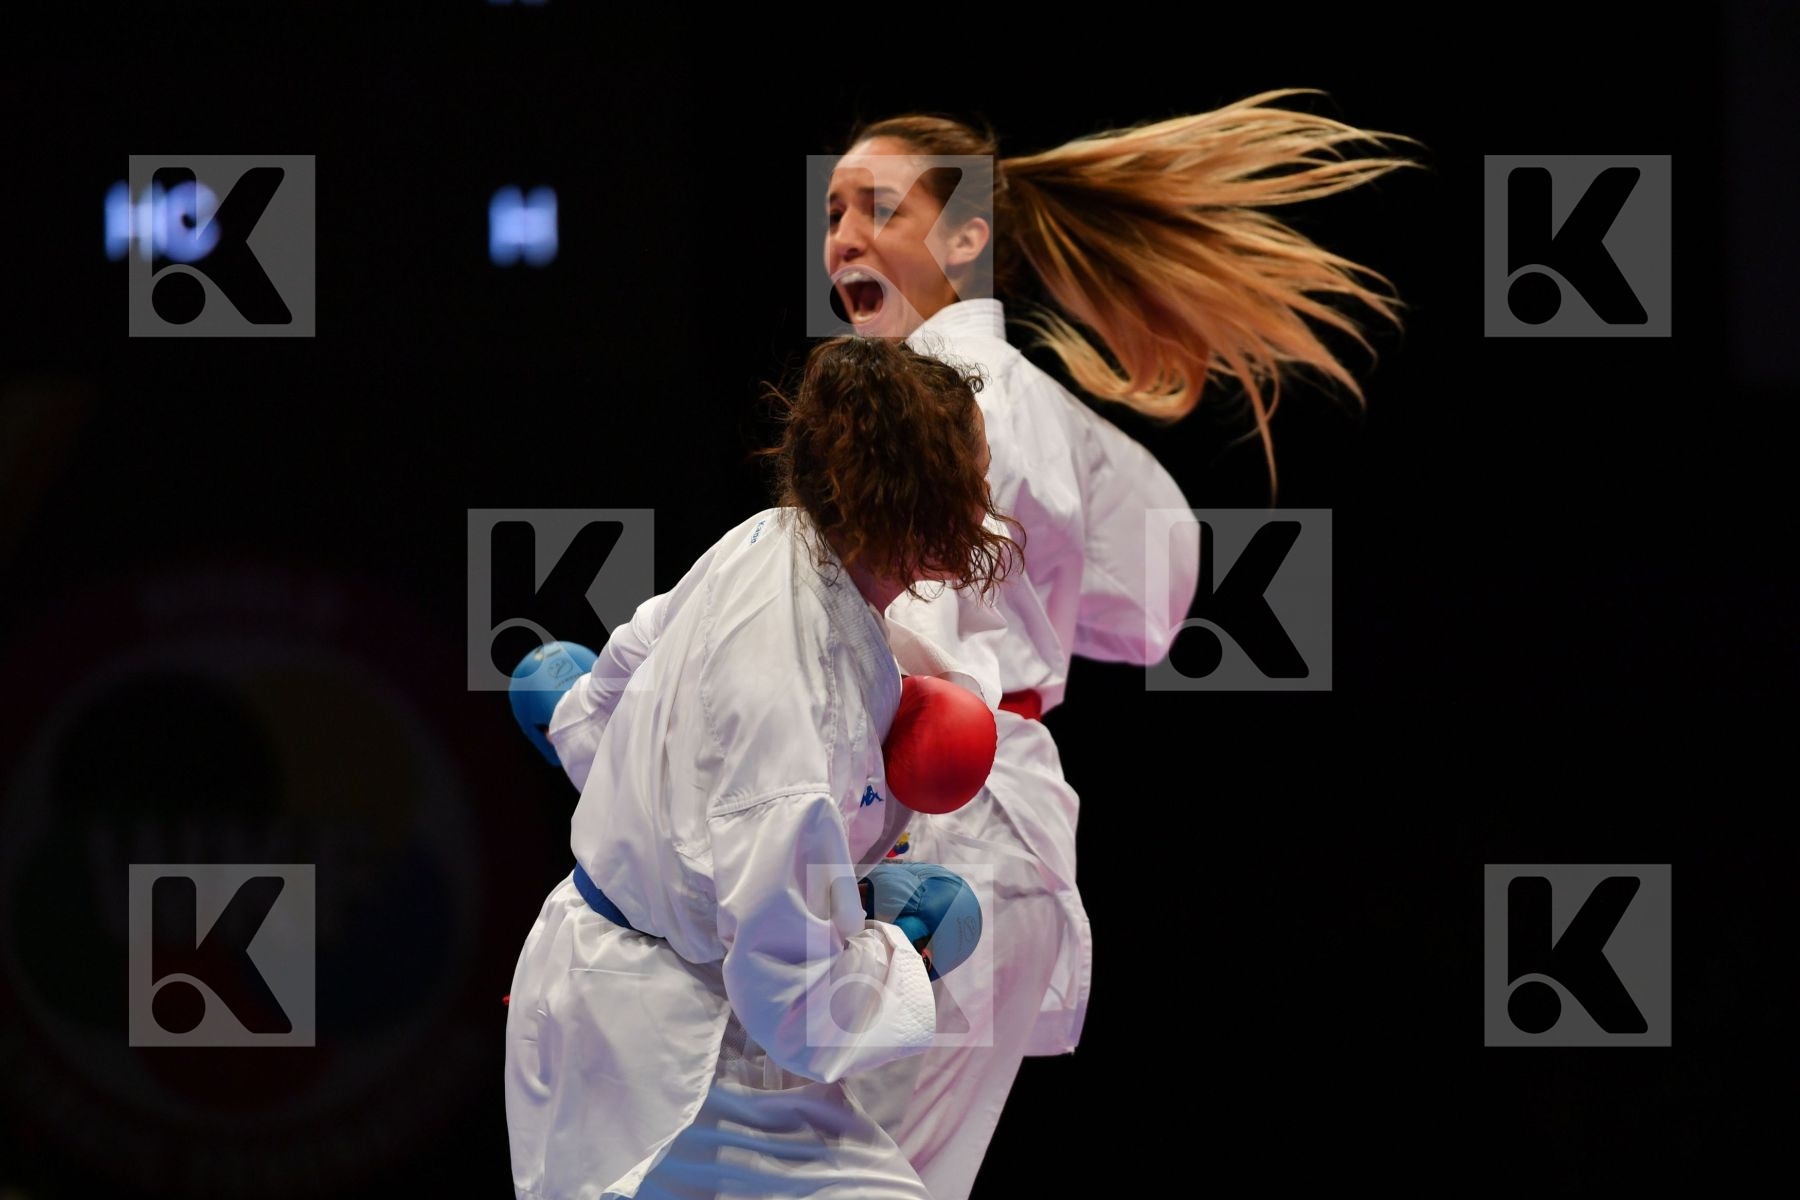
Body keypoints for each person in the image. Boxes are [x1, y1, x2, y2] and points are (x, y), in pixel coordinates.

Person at [818, 89, 1416, 1199]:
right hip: (999, 834)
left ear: (965, 237)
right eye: (833, 210)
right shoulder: (1032, 402)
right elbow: (1153, 600)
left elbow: (896, 643)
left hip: (941, 829)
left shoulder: (942, 402)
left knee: (831, 1181)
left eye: (879, 208)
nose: (844, 236)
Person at [502, 335, 1021, 1200]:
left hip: (654, 983)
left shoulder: (773, 537)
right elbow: (792, 1001)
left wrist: (578, 726)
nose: (985, 508)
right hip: (668, 1058)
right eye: (975, 482)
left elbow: (635, 652)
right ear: (918, 498)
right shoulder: (793, 719)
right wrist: (907, 951)